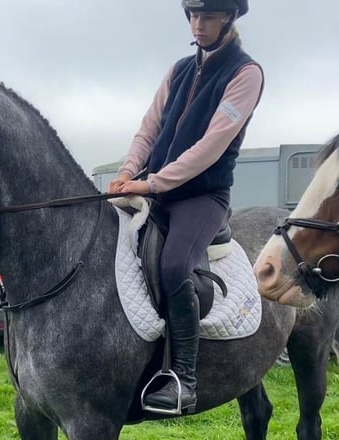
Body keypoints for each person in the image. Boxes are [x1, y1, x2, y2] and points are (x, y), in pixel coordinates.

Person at [108, 0, 263, 414]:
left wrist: (152, 182)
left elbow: (211, 146)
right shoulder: (178, 70)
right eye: (193, 15)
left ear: (229, 17)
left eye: (209, 16)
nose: (199, 24)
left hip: (202, 197)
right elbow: (149, 129)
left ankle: (184, 380)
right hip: (154, 191)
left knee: (175, 265)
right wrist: (127, 171)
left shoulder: (246, 74)